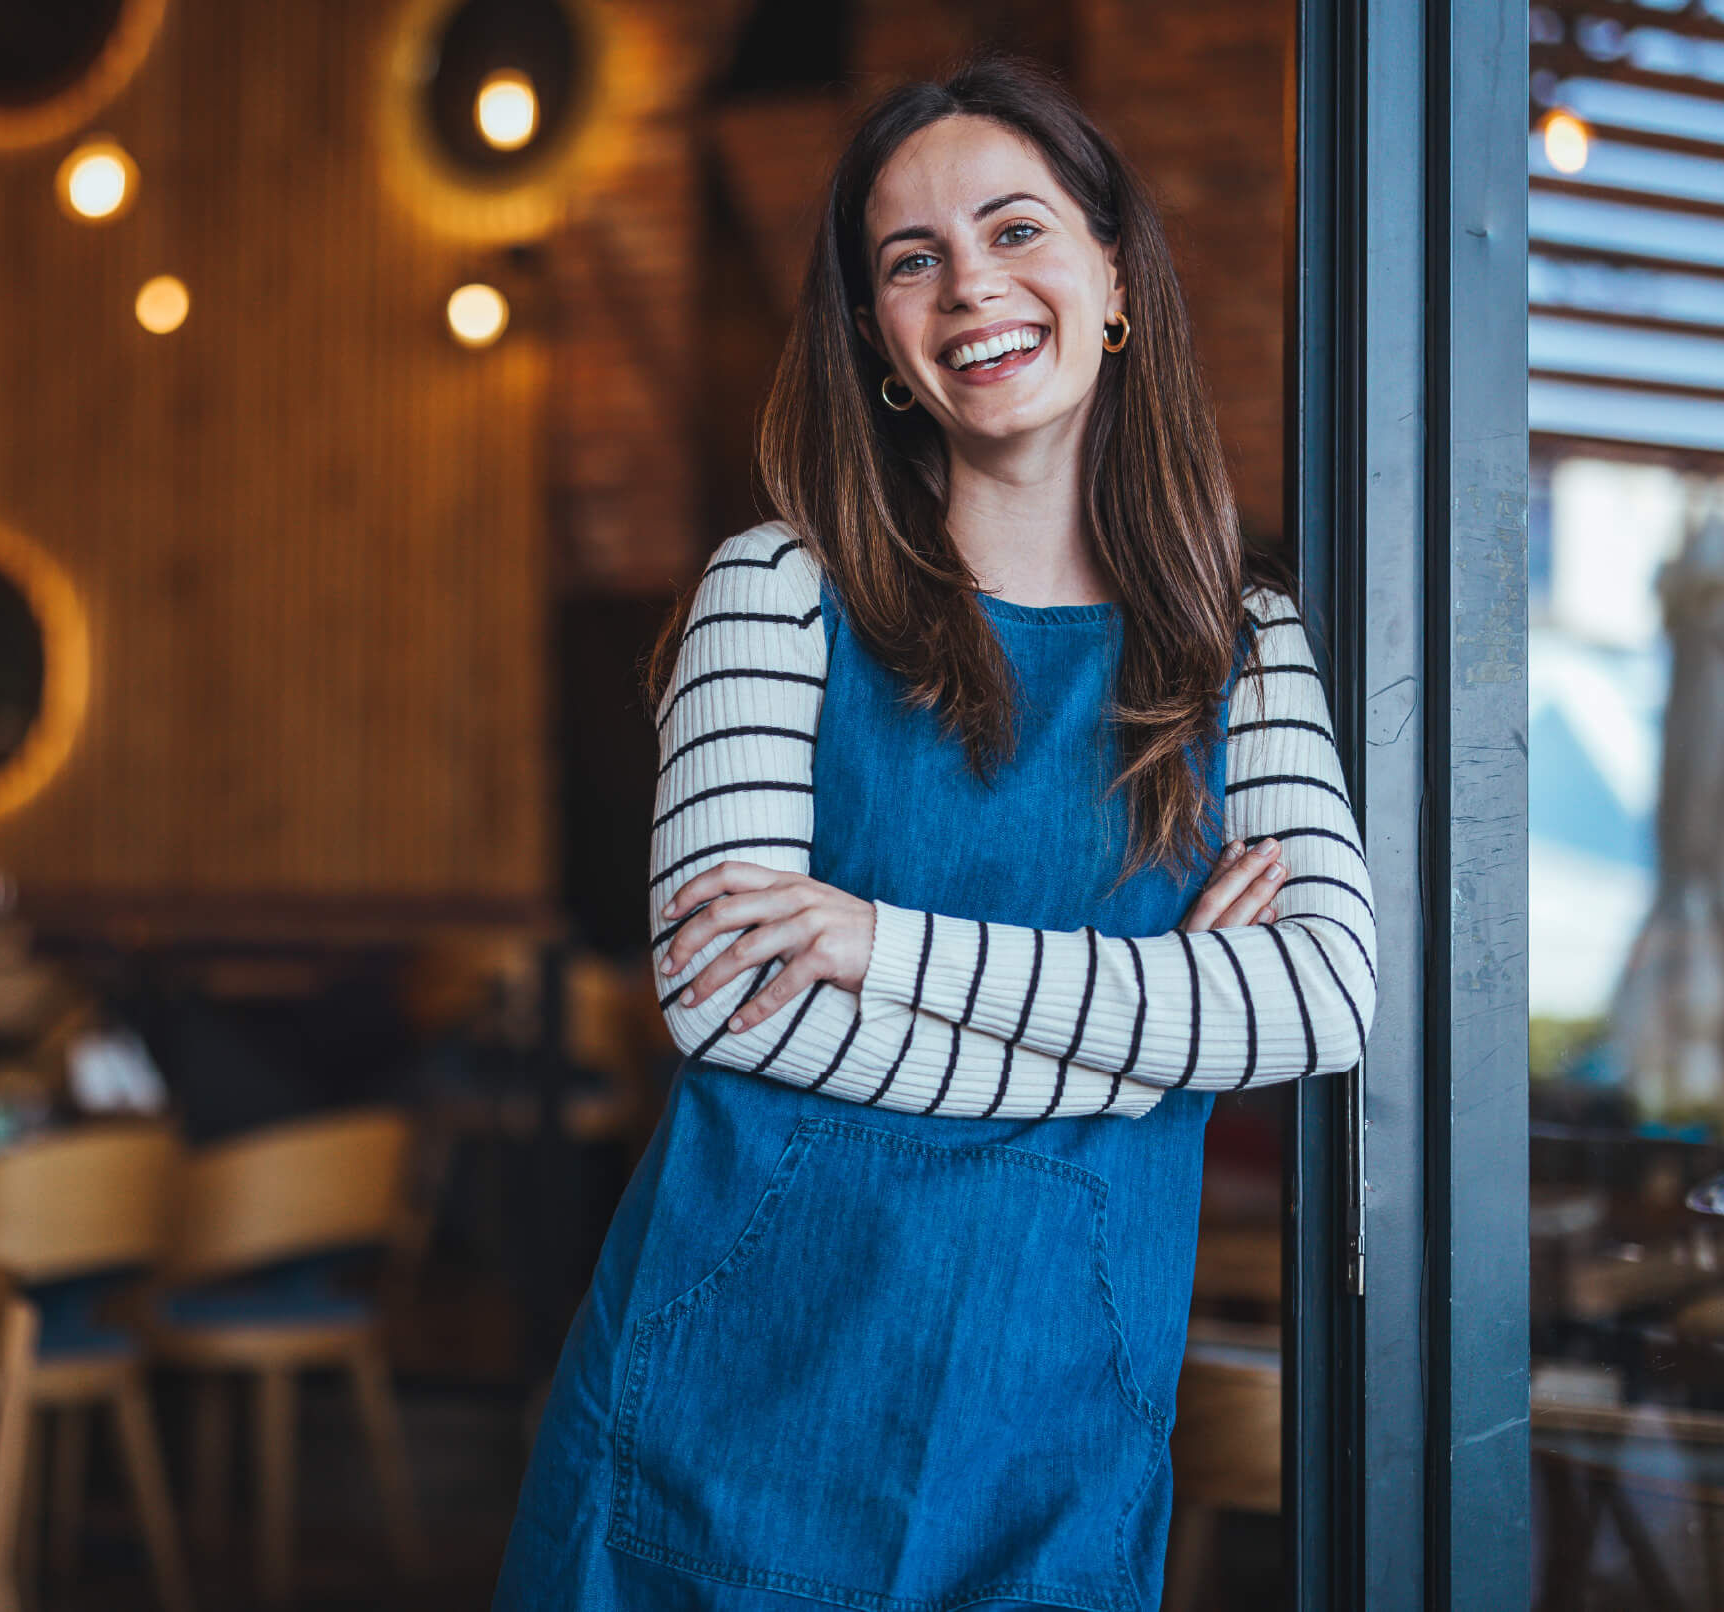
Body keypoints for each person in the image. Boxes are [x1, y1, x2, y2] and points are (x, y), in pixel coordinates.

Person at [494, 55, 1376, 1612]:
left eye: (1016, 229)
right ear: (884, 347)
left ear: (1112, 277)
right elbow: (727, 1000)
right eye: (913, 260)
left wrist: (880, 945)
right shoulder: (777, 594)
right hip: (744, 1389)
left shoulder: (1250, 645)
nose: (972, 284)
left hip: (1060, 1421)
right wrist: (1159, 1027)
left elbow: (1316, 1000)